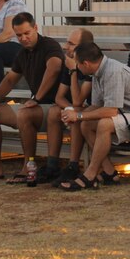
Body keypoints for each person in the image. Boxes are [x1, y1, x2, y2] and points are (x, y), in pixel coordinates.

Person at [0, 12, 64, 183]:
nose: (24, 38)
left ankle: (28, 165)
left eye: (27, 33)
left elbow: (54, 68)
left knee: (24, 114)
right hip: (37, 109)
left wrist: (38, 98)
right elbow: (11, 78)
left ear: (35, 28)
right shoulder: (23, 53)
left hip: (55, 108)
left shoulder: (49, 45)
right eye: (19, 35)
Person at [59, 43, 130, 191]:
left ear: (86, 63)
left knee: (104, 123)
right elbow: (97, 106)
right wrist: (75, 117)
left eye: (77, 64)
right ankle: (109, 173)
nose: (76, 67)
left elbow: (110, 111)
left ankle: (90, 175)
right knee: (86, 125)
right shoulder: (98, 71)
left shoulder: (113, 71)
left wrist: (78, 115)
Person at [47, 28, 95, 187]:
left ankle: (73, 165)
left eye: (71, 44)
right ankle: (52, 164)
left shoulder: (89, 65)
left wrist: (74, 70)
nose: (66, 47)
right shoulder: (69, 63)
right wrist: (67, 109)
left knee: (74, 114)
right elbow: (59, 97)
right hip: (82, 108)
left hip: (96, 108)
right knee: (55, 111)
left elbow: (77, 102)